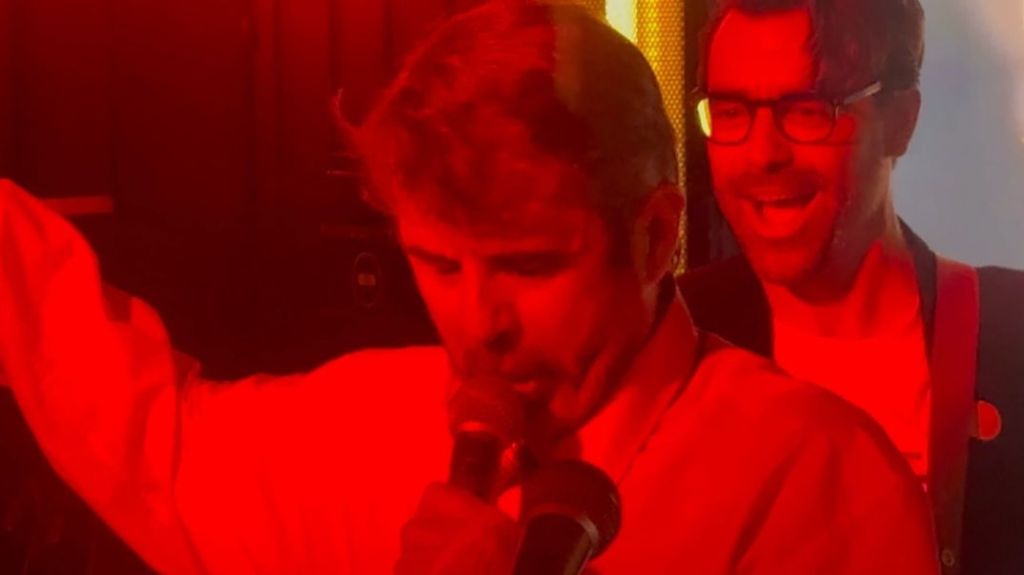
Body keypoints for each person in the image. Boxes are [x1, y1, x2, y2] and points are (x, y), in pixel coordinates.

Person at [0, 1, 938, 573]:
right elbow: (137, 425)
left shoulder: (813, 480)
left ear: (657, 235)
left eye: (530, 265)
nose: (478, 324)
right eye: (438, 263)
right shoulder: (358, 427)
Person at [678, 0, 1024, 573]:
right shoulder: (668, 337)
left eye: (809, 111)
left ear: (901, 122)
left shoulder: (1011, 339)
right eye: (731, 112)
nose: (762, 156)